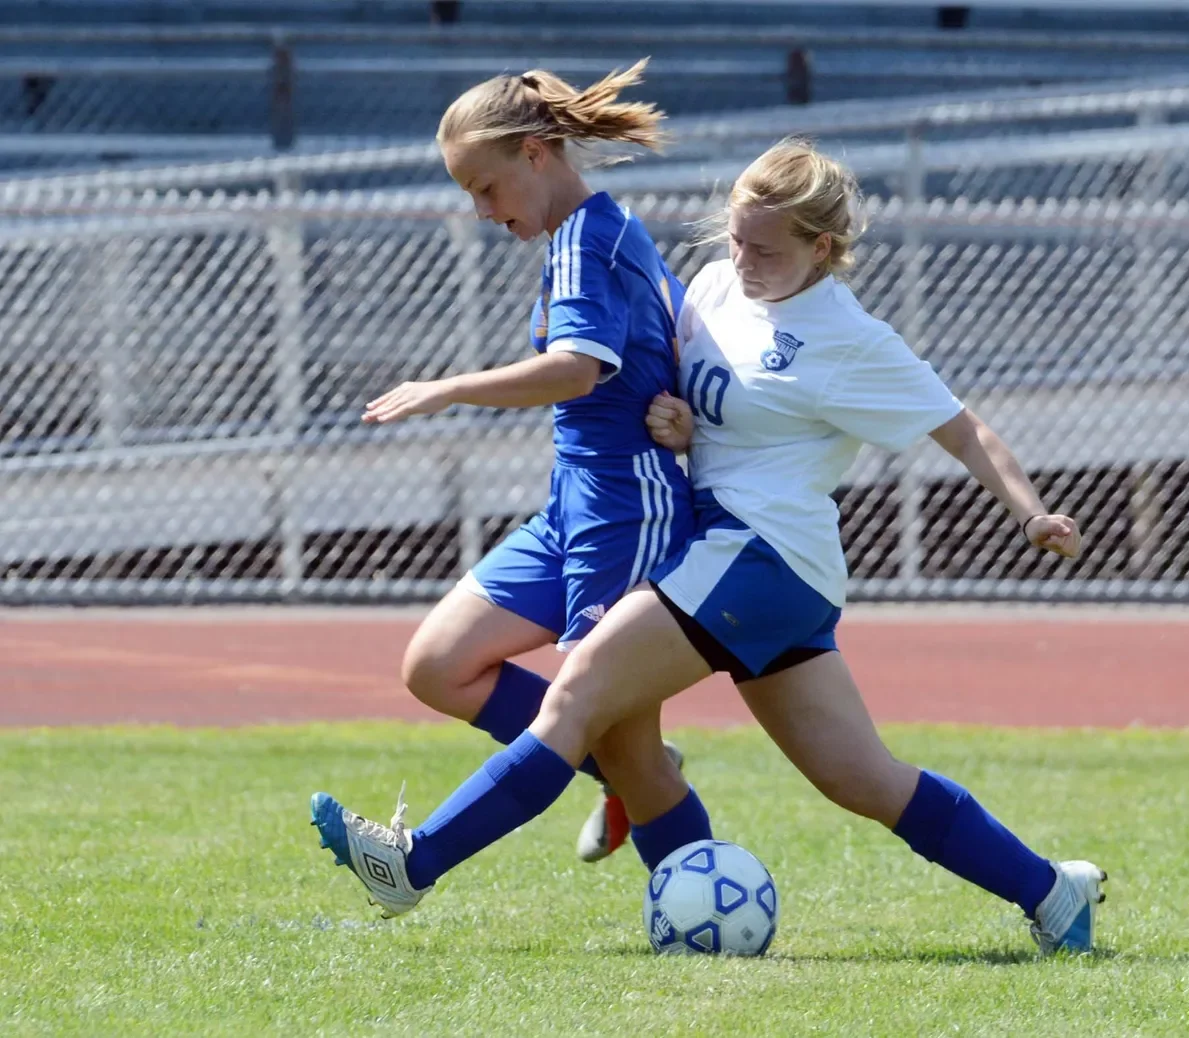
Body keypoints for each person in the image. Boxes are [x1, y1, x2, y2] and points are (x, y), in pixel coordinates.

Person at [313, 138, 1107, 955]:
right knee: (861, 779)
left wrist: (1031, 513)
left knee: (580, 694)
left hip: (760, 555)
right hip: (734, 558)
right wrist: (684, 429)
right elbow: (712, 411)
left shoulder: (849, 337)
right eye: (734, 237)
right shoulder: (719, 284)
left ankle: (414, 865)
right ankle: (1052, 892)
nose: (741, 258)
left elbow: (964, 428)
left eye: (764, 248)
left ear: (821, 250)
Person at [320, 60, 717, 912]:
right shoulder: (593, 233)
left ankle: (413, 868)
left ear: (537, 154)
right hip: (574, 503)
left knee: (616, 737)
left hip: (627, 512)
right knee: (440, 665)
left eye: (486, 186)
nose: (483, 211)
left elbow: (577, 369)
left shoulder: (587, 238)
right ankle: (616, 770)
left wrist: (452, 386)